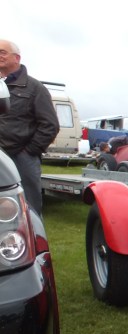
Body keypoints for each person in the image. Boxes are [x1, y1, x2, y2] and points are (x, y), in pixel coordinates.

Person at [0, 39, 59, 215]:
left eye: (3, 52)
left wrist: (29, 151)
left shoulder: (34, 88)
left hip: (22, 156)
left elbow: (50, 125)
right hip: (0, 155)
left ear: (17, 58)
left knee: (30, 206)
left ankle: (34, 239)